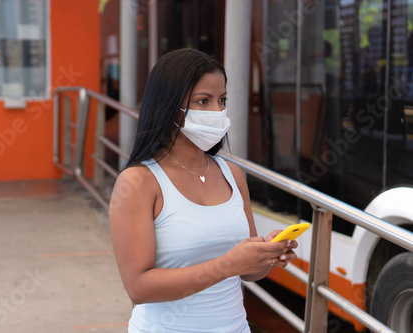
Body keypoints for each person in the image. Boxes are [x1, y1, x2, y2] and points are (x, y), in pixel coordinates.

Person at [109, 48, 298, 332]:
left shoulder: (232, 174)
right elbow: (139, 287)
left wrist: (267, 256)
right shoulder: (138, 182)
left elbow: (247, 272)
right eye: (203, 101)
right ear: (169, 106)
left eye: (222, 100)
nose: (218, 111)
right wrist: (227, 265)